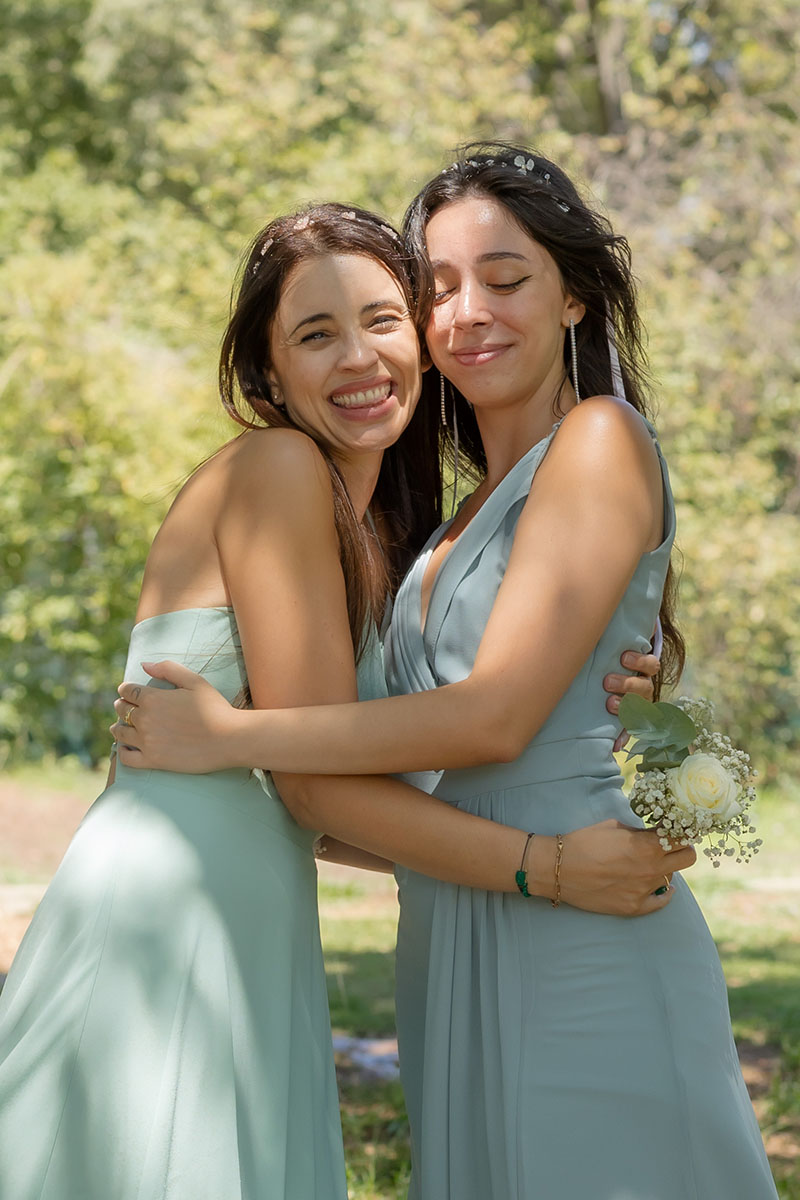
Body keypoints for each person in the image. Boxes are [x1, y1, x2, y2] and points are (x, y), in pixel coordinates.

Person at [114, 147, 778, 1199]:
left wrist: (235, 738)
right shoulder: (443, 524)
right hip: (458, 915)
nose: (467, 312)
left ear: (572, 295)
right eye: (438, 290)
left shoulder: (597, 440)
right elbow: (363, 783)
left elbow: (493, 719)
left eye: (505, 280)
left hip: (583, 933)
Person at [0, 201, 681, 1200]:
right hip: (174, 916)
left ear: (417, 339)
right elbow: (313, 788)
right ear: (270, 374)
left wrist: (608, 673)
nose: (358, 357)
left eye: (380, 320)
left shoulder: (372, 535)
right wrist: (544, 867)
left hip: (243, 906)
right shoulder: (277, 468)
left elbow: (330, 783)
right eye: (315, 335)